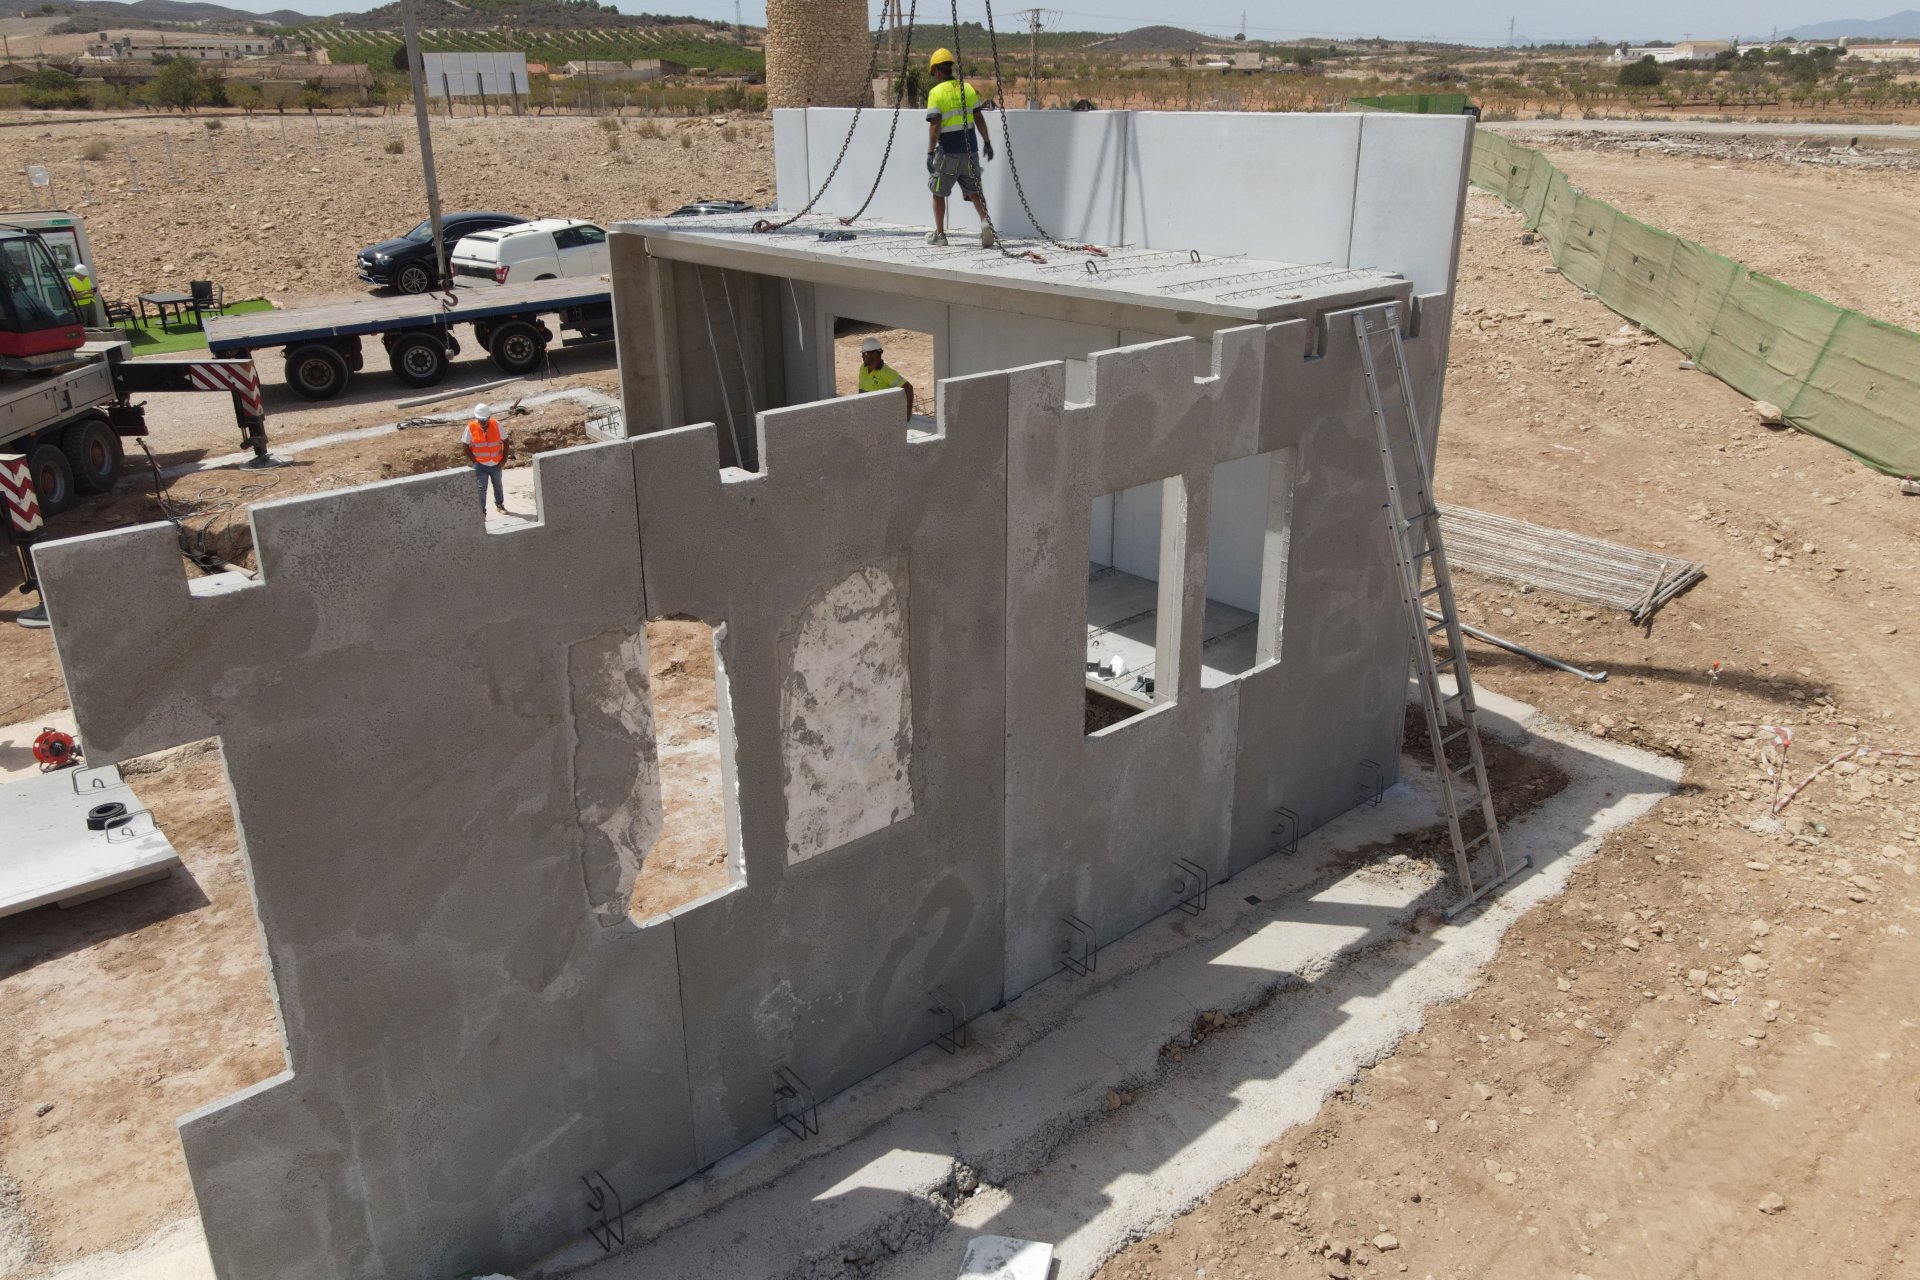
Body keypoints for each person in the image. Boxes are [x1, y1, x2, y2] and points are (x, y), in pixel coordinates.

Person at [924, 48, 995, 248]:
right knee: (974, 191)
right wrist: (987, 143)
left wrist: (930, 153)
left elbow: (935, 126)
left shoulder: (936, 93)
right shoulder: (968, 88)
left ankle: (940, 235)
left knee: (938, 192)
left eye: (933, 72)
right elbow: (979, 118)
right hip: (970, 152)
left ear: (936, 70)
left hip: (948, 153)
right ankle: (985, 222)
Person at [462, 404, 509, 514]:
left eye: (485, 419)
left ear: (489, 417)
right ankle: (482, 511)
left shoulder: (496, 424)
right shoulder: (471, 427)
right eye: (480, 420)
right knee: (481, 489)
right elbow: (465, 445)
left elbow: (506, 441)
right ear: (476, 418)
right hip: (480, 465)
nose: (483, 422)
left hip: (496, 464)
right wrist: (474, 461)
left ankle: (500, 505)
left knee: (498, 486)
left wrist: (504, 460)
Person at [854, 336, 915, 420]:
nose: (862, 356)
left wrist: (908, 413)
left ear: (875, 354)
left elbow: (908, 388)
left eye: (865, 353)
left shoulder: (886, 372)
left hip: (879, 417)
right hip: (865, 414)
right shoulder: (863, 368)